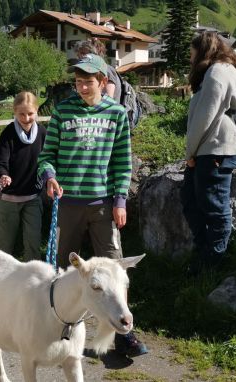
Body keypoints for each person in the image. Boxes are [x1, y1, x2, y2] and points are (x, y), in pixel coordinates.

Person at [37, 53, 147, 357]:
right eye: (78, 82)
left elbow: (122, 162)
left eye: (88, 82)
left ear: (103, 82)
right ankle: (57, 327)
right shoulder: (62, 112)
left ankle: (124, 334)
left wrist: (120, 200)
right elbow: (47, 157)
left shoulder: (116, 114)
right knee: (60, 269)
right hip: (68, 204)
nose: (82, 87)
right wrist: (49, 177)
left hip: (103, 205)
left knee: (115, 270)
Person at [181, 31, 236, 273]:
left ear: (203, 50)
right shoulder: (225, 69)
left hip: (215, 148)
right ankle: (204, 250)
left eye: (192, 52)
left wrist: (190, 153)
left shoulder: (217, 72)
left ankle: (213, 261)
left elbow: (203, 119)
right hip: (211, 148)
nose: (190, 58)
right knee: (190, 199)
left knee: (214, 207)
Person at [0, 91, 46, 261]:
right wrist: (3, 175)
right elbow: (1, 162)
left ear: (36, 111)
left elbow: (48, 159)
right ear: (15, 112)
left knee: (33, 242)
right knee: (5, 244)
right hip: (9, 198)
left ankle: (34, 280)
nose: (26, 118)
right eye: (21, 114)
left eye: (30, 113)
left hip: (33, 197)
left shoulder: (43, 133)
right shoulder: (8, 134)